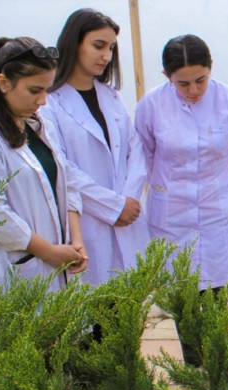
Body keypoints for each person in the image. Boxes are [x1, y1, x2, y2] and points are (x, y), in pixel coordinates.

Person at [135, 34, 228, 291]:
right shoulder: (151, 104)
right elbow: (146, 154)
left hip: (216, 208)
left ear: (211, 67)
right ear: (167, 76)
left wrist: (216, 183)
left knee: (219, 295)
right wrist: (169, 187)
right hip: (171, 213)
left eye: (201, 80)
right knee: (180, 294)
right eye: (183, 84)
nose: (194, 90)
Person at [42, 8, 149, 286]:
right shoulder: (50, 103)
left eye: (111, 48)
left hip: (128, 218)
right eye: (98, 46)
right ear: (74, 44)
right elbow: (62, 167)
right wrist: (113, 206)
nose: (107, 56)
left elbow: (135, 150)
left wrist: (129, 200)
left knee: (127, 311)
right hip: (87, 223)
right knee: (95, 314)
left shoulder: (111, 97)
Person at [0, 37, 87, 290]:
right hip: (14, 267)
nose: (43, 100)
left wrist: (75, 240)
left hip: (57, 259)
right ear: (3, 82)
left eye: (46, 90)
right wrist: (47, 251)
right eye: (35, 90)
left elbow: (67, 181)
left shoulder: (38, 123)